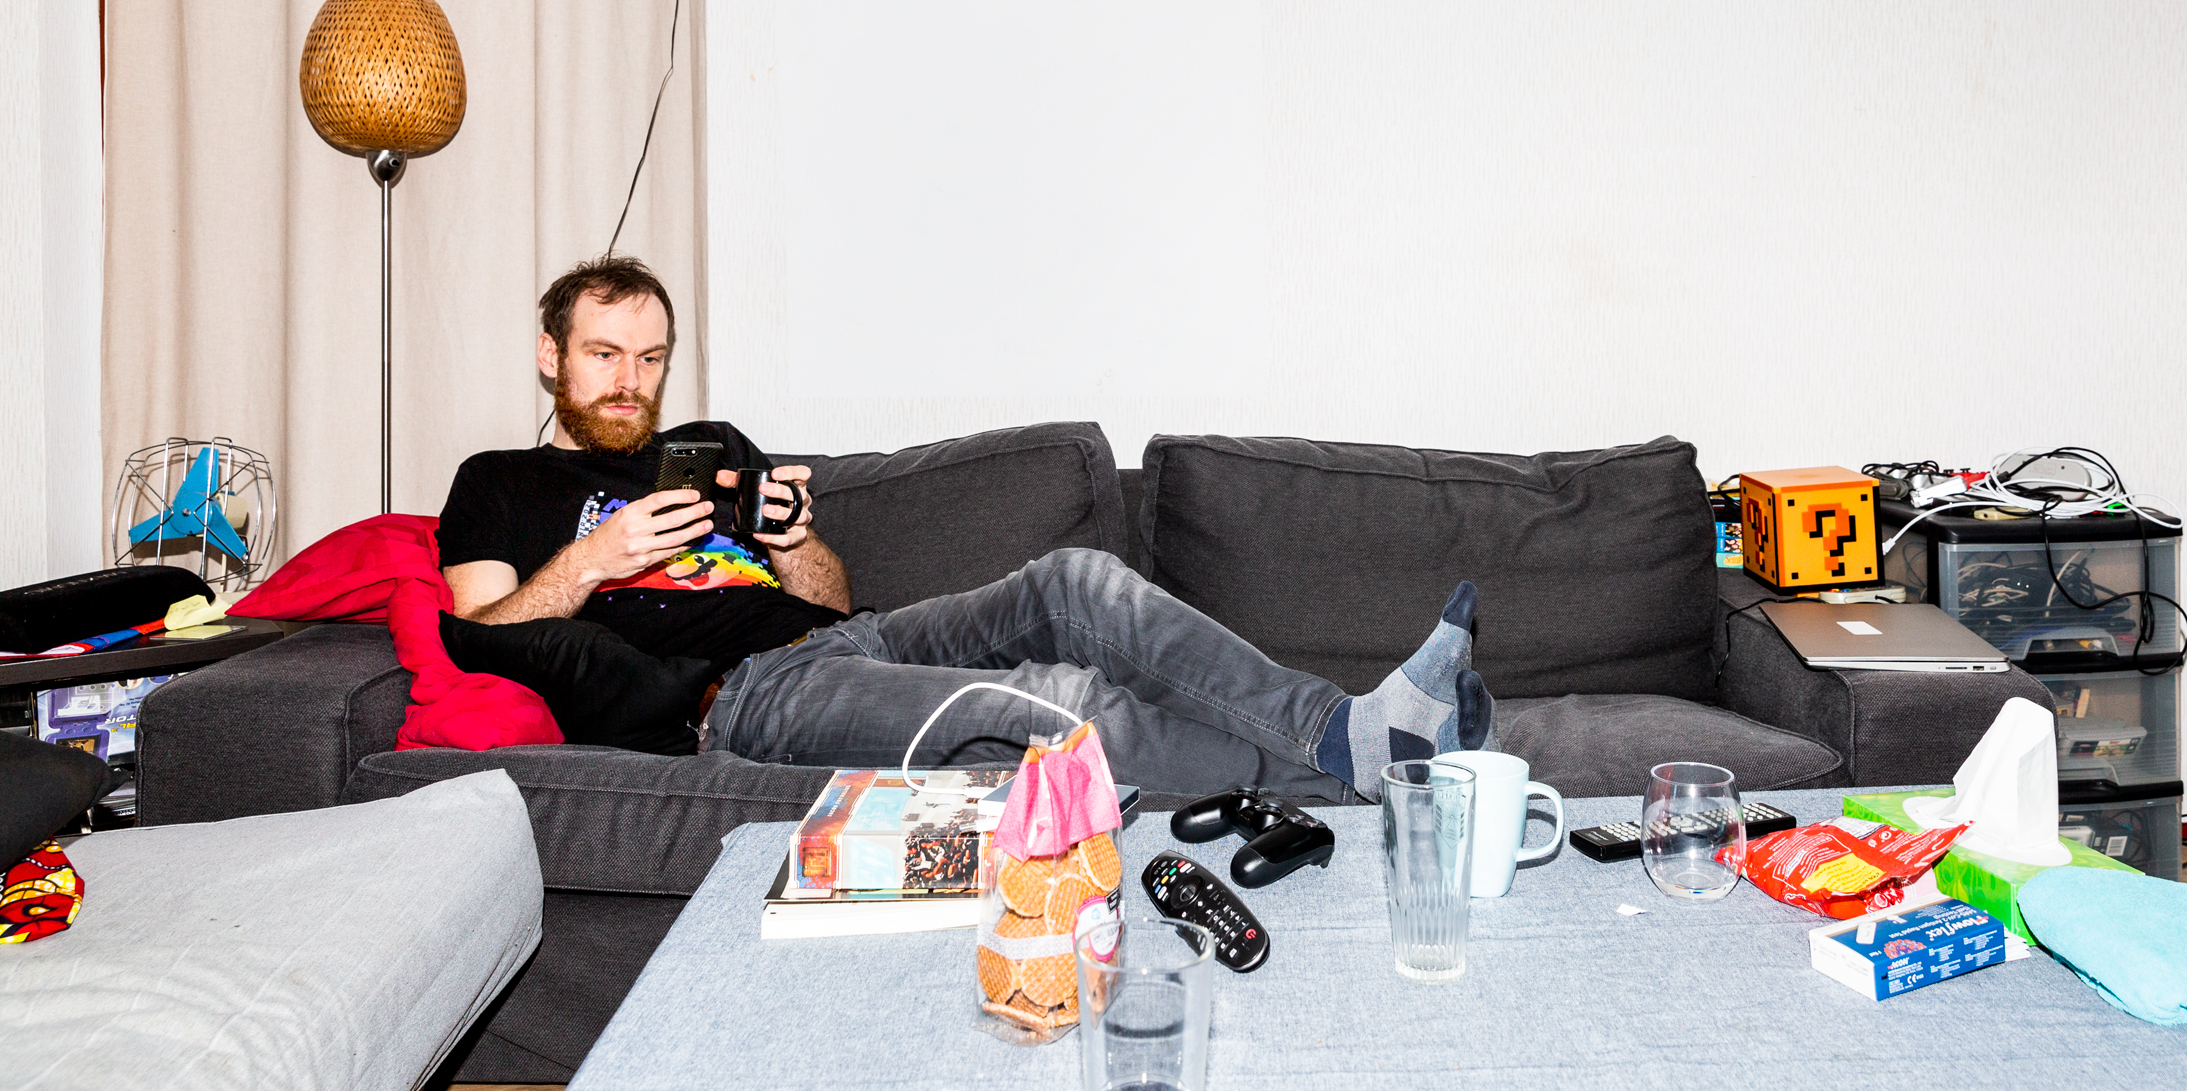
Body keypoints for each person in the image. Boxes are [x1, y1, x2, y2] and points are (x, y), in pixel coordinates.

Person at [438, 255, 1495, 800]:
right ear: (551, 355)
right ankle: (1375, 770)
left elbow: (827, 600)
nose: (631, 381)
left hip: (843, 640)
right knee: (1057, 705)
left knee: (1079, 579)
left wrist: (791, 535)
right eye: (604, 354)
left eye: (650, 355)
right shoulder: (497, 481)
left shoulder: (713, 440)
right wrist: (594, 556)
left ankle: (1344, 731)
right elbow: (478, 625)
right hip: (743, 700)